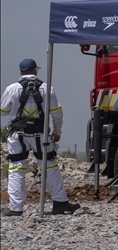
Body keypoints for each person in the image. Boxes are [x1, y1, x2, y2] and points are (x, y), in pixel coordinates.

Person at [1, 59, 81, 216]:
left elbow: (3, 111)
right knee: (50, 167)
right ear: (35, 70)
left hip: (18, 135)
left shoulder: (12, 88)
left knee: (16, 168)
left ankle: (15, 208)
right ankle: (60, 203)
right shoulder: (47, 88)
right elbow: (57, 113)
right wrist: (57, 131)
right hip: (41, 134)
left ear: (20, 72)